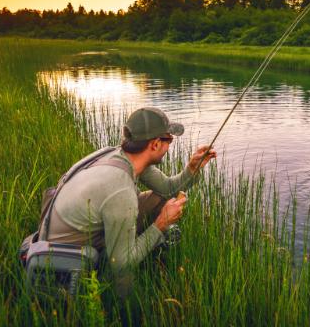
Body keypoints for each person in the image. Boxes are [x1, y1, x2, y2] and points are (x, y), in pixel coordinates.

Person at [39, 107, 216, 296]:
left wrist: (192, 169)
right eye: (169, 140)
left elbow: (167, 189)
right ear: (155, 144)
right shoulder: (121, 189)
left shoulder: (122, 156)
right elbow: (121, 263)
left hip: (72, 231)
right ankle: (122, 308)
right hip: (66, 257)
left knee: (159, 199)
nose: (169, 145)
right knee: (124, 267)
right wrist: (161, 224)